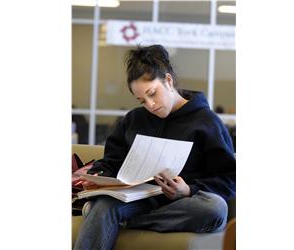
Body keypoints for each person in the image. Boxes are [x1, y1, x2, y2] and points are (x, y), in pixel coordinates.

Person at [74, 44, 236, 250]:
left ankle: (120, 221)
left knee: (215, 208)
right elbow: (112, 161)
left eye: (152, 93)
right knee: (105, 205)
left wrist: (188, 190)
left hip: (183, 204)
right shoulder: (134, 119)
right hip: (134, 199)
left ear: (168, 81)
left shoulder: (207, 122)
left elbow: (229, 178)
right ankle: (108, 216)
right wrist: (99, 175)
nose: (150, 104)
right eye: (141, 100)